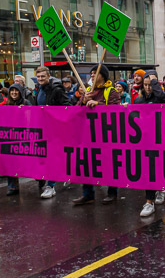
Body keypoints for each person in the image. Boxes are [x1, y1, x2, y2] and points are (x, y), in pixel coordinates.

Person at [73, 65, 121, 206]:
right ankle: (88, 194)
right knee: (86, 164)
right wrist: (83, 100)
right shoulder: (88, 91)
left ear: (103, 76)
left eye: (96, 73)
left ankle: (112, 192)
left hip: (106, 135)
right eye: (92, 73)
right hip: (88, 135)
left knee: (109, 163)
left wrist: (98, 104)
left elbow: (116, 110)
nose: (92, 75)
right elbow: (75, 110)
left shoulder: (111, 91)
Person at [35, 66, 71, 198]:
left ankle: (50, 186)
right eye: (38, 76)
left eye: (42, 76)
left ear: (48, 76)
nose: (40, 79)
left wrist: (52, 110)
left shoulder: (57, 89)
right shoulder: (39, 89)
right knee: (44, 156)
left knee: (52, 157)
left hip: (55, 128)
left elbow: (67, 106)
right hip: (42, 127)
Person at [135, 75, 165, 216]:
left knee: (159, 166)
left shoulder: (159, 98)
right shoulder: (139, 100)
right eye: (146, 85)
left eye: (151, 84)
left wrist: (155, 82)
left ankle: (161, 188)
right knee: (149, 169)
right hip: (145, 140)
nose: (148, 88)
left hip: (160, 139)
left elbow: (163, 97)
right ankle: (149, 202)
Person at [3, 84, 31, 196]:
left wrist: (24, 111)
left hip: (25, 136)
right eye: (12, 91)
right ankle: (12, 186)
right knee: (11, 161)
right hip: (12, 136)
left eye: (16, 91)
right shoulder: (7, 104)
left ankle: (40, 179)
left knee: (30, 160)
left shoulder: (26, 102)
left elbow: (33, 116)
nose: (14, 93)